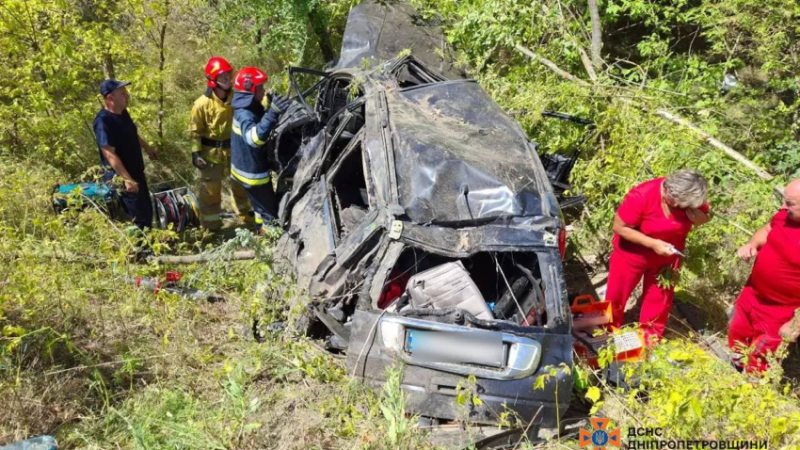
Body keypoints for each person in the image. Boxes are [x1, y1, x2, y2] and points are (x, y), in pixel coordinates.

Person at [605, 170, 710, 342]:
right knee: (617, 295)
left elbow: (705, 217)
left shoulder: (691, 195)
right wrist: (653, 244)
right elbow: (619, 227)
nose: (681, 208)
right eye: (680, 204)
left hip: (667, 257)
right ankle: (606, 334)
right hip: (631, 254)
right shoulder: (642, 195)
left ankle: (649, 340)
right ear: (670, 193)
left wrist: (700, 218)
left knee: (659, 298)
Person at [729, 179, 800, 372]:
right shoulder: (785, 217)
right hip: (752, 293)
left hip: (780, 312)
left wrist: (796, 323)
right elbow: (768, 229)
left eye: (790, 204)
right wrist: (752, 244)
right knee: (736, 334)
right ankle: (733, 369)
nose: (782, 207)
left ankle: (750, 389)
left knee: (761, 356)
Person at [189, 56, 253, 231]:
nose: (227, 78)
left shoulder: (238, 98)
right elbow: (195, 132)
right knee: (210, 193)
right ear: (212, 79)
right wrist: (196, 154)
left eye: (228, 74)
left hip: (235, 151)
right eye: (222, 76)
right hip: (210, 155)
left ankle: (247, 222)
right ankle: (211, 229)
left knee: (241, 188)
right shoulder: (201, 104)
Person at [229, 67, 290, 233]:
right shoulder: (244, 114)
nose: (263, 91)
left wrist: (270, 107)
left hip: (245, 168)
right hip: (252, 174)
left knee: (259, 208)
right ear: (250, 90)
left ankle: (259, 230)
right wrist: (272, 114)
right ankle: (270, 242)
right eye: (260, 88)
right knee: (269, 213)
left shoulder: (249, 106)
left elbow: (259, 119)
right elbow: (254, 139)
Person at [93, 79, 158, 230]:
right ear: (110, 98)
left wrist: (147, 148)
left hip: (136, 173)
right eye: (122, 93)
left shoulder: (123, 113)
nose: (127, 96)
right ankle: (140, 251)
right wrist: (127, 179)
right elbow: (109, 153)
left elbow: (132, 133)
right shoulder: (103, 121)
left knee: (147, 212)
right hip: (122, 178)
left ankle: (149, 248)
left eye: (126, 92)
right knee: (137, 218)